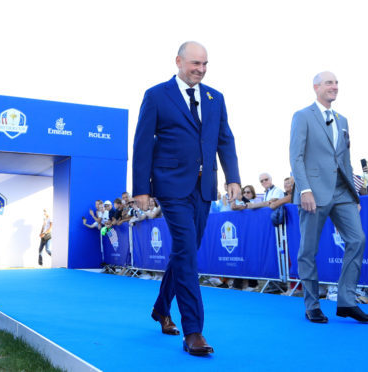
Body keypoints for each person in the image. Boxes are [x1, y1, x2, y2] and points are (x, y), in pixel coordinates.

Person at [132, 41, 241, 356]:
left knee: (185, 252)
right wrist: (142, 188)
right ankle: (194, 331)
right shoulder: (156, 95)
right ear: (178, 61)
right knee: (187, 253)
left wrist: (232, 177)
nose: (201, 69)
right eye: (195, 63)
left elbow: (225, 140)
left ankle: (161, 308)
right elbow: (142, 144)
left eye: (205, 64)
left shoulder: (214, 98)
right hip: (170, 185)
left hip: (204, 188)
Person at [289, 71, 368, 323]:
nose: (334, 86)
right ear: (316, 87)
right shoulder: (303, 116)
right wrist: (304, 189)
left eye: (336, 83)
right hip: (313, 193)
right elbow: (296, 156)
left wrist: (355, 195)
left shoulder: (343, 120)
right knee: (308, 250)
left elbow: (345, 159)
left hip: (343, 192)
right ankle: (312, 305)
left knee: (357, 239)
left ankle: (347, 301)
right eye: (329, 83)